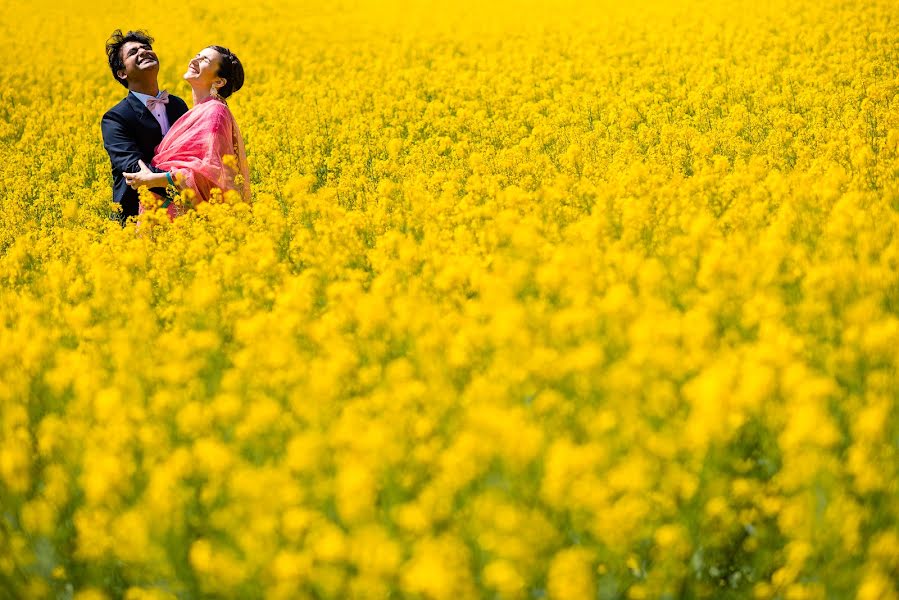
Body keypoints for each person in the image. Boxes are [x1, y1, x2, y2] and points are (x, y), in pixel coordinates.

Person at [124, 46, 250, 218]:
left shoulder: (215, 112)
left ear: (219, 82)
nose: (195, 60)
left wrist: (154, 179)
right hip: (168, 209)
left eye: (204, 60)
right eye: (197, 55)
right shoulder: (194, 111)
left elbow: (211, 173)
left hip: (183, 216)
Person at [101, 30, 190, 225]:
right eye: (133, 52)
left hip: (185, 216)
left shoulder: (178, 105)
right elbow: (135, 169)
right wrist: (185, 184)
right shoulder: (115, 118)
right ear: (122, 73)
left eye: (147, 48)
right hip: (138, 219)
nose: (143, 52)